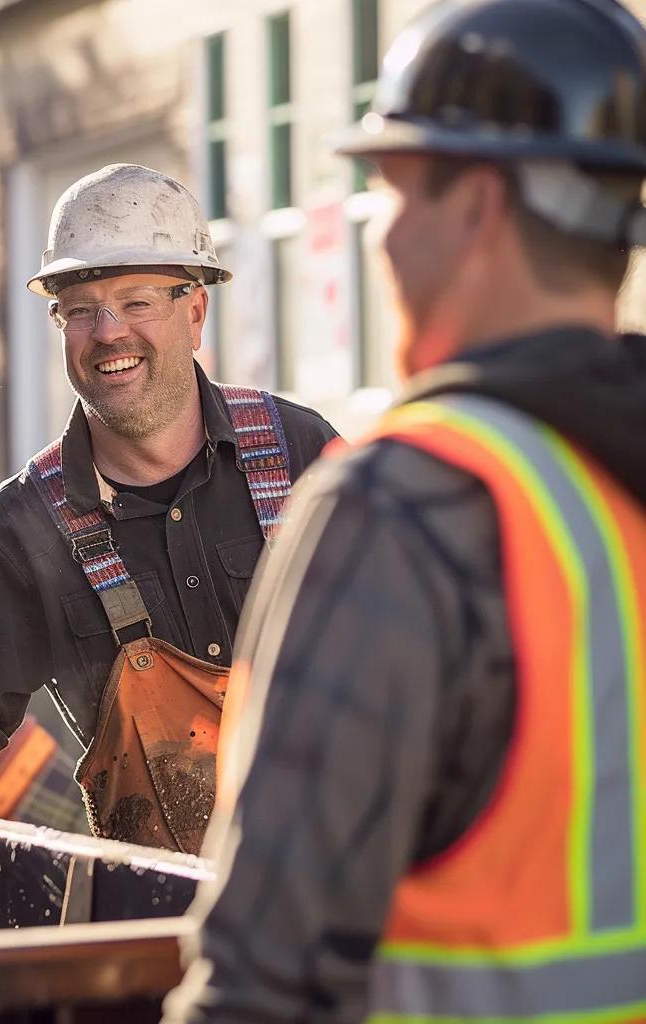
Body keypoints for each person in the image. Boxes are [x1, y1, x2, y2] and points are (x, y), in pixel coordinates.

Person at [164, 0, 646, 1021]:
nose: (377, 234)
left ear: (474, 205)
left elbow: (260, 976)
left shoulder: (402, 506)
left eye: (389, 191)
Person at [0, 163, 338, 877]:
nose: (107, 332)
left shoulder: (304, 454)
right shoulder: (34, 521)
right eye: (81, 308)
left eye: (136, 301)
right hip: (159, 924)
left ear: (195, 312)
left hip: (349, 889)